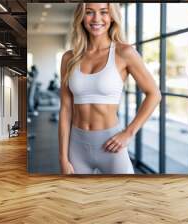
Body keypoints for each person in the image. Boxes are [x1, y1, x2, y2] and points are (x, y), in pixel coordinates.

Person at [59, 3, 161, 174]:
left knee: (123, 199)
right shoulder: (69, 57)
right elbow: (65, 109)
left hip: (111, 145)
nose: (96, 19)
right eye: (89, 12)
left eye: (103, 12)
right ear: (81, 17)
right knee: (77, 200)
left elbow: (154, 94)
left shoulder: (124, 52)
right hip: (76, 146)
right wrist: (62, 157)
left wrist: (129, 132)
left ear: (112, 16)